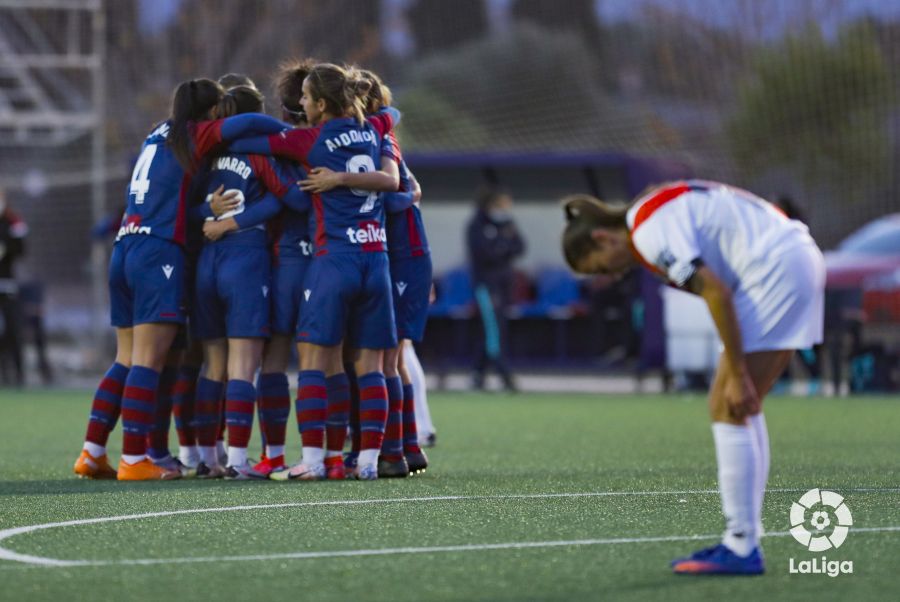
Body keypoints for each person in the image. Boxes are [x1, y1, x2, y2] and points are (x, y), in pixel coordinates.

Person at [562, 180, 825, 575]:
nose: (610, 275)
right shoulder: (649, 213)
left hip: (775, 265)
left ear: (602, 237)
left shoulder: (648, 232)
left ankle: (741, 544)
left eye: (601, 266)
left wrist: (736, 371)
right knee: (741, 406)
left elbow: (716, 293)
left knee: (728, 403)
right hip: (794, 255)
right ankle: (744, 540)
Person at [73, 78, 288, 481]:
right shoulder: (197, 132)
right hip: (158, 252)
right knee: (149, 361)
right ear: (211, 112)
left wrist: (204, 207)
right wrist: (298, 135)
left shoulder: (158, 133)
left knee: (125, 358)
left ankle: (92, 451)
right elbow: (246, 123)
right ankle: (134, 459)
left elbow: (168, 195)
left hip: (126, 245)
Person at [228, 63, 400, 480]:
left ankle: (313, 461)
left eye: (306, 97)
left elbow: (250, 141)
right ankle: (368, 463)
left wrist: (221, 128)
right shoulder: (374, 127)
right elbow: (392, 121)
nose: (302, 104)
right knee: (372, 367)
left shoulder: (310, 138)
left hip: (333, 260)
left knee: (313, 362)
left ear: (321, 104)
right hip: (375, 257)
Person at [466, 187, 524, 392]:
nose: (505, 209)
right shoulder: (477, 226)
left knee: (494, 329)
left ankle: (477, 375)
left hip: (505, 286)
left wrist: (502, 247)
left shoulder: (507, 223)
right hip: (486, 287)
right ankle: (504, 375)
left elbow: (520, 247)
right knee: (494, 330)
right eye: (501, 205)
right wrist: (503, 246)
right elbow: (485, 254)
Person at [0, 188, 27, 387]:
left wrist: (6, 248)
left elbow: (21, 249)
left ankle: (18, 374)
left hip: (7, 285)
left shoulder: (13, 221)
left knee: (13, 330)